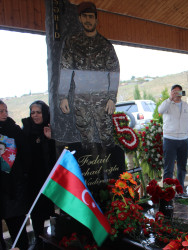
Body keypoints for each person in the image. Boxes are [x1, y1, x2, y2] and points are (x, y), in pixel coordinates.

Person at [58, 1, 120, 148]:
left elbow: (114, 72)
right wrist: (63, 97)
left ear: (96, 20)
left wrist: (112, 98)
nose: (88, 20)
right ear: (80, 18)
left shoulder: (105, 45)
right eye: (84, 16)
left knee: (106, 140)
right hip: (81, 101)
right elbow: (66, 69)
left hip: (103, 103)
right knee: (86, 141)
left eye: (91, 16)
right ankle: (92, 170)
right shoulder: (72, 42)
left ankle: (108, 170)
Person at [22, 100, 56, 248]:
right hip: (32, 180)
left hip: (49, 178)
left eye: (38, 112)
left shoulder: (51, 127)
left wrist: (49, 139)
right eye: (32, 112)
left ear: (45, 113)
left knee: (50, 210)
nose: (35, 115)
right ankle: (38, 239)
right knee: (36, 212)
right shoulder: (26, 129)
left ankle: (52, 238)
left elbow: (57, 154)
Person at [0, 100, 30, 250]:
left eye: (6, 110)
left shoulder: (14, 130)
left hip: (13, 190)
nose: (5, 114)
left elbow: (26, 155)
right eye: (1, 111)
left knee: (18, 231)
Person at [158, 84, 188, 198]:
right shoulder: (167, 104)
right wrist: (169, 99)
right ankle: (167, 191)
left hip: (183, 139)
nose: (177, 94)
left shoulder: (185, 105)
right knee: (168, 167)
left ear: (182, 93)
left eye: (179, 92)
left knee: (182, 167)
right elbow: (160, 110)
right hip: (170, 139)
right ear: (171, 92)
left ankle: (180, 190)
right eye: (175, 92)